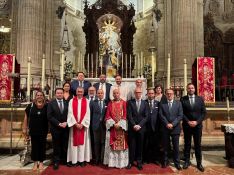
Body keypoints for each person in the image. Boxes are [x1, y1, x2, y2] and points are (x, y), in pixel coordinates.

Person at [180, 83, 206, 172]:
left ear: (194, 89)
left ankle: (199, 163)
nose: (191, 89)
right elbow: (181, 113)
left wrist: (197, 122)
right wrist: (188, 121)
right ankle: (186, 162)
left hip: (197, 126)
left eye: (192, 88)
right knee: (187, 144)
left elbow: (203, 113)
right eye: (189, 88)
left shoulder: (200, 99)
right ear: (187, 89)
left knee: (198, 145)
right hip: (187, 125)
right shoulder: (183, 99)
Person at [22, 91, 48, 171]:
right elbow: (26, 118)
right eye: (38, 95)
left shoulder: (47, 106)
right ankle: (35, 162)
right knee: (35, 146)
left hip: (43, 130)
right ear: (35, 97)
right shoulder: (30, 106)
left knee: (42, 146)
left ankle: (41, 162)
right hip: (33, 130)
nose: (39, 96)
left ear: (43, 97)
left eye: (41, 95)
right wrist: (24, 129)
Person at [103, 88, 129, 168]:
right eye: (114, 93)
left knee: (122, 146)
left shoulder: (124, 103)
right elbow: (107, 116)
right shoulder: (110, 103)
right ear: (113, 94)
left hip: (121, 128)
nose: (116, 94)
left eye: (117, 93)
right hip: (113, 127)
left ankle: (121, 163)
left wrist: (120, 124)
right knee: (112, 146)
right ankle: (112, 163)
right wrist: (114, 124)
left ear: (119, 93)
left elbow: (125, 115)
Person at [67, 87, 92, 166]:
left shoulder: (86, 101)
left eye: (81, 92)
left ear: (83, 92)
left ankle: (82, 160)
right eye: (78, 91)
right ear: (76, 92)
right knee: (74, 144)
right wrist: (75, 123)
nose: (80, 93)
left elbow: (88, 113)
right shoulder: (71, 101)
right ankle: (74, 161)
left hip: (83, 126)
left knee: (82, 144)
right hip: (74, 126)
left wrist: (82, 124)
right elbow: (70, 112)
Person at [159, 89, 183, 170]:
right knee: (165, 146)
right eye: (168, 94)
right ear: (165, 95)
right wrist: (167, 123)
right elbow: (161, 115)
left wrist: (173, 124)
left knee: (176, 147)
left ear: (173, 94)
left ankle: (177, 163)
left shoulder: (178, 103)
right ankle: (165, 161)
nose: (169, 95)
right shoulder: (162, 104)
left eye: (171, 94)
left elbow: (180, 115)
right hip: (165, 128)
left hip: (175, 128)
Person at [127, 88, 149, 170]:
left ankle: (139, 162)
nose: (138, 94)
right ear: (134, 93)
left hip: (141, 128)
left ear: (142, 93)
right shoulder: (130, 102)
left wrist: (139, 125)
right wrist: (134, 125)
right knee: (132, 146)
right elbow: (129, 115)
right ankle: (131, 162)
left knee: (140, 146)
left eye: (139, 92)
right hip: (132, 128)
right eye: (136, 92)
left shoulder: (145, 103)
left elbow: (146, 116)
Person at [47, 88, 69, 170]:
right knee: (56, 145)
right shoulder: (51, 103)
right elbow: (49, 116)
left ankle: (64, 160)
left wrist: (66, 122)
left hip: (65, 127)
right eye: (58, 93)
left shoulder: (67, 103)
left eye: (61, 93)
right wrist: (58, 123)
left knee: (65, 144)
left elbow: (70, 114)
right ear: (55, 94)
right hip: (55, 128)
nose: (59, 94)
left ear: (63, 94)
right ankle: (56, 161)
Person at [90, 89, 107, 165]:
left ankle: (102, 159)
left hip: (104, 126)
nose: (100, 94)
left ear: (103, 94)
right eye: (99, 93)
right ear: (96, 94)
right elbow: (90, 115)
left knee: (103, 142)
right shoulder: (93, 103)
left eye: (101, 93)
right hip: (95, 125)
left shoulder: (107, 102)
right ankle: (96, 159)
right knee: (96, 143)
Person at [143, 88, 160, 163]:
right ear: (147, 94)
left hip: (155, 127)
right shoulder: (143, 103)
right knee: (146, 144)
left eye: (152, 93)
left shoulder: (158, 103)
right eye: (149, 93)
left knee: (155, 143)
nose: (151, 95)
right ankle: (146, 159)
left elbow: (160, 115)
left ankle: (155, 159)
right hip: (145, 126)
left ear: (154, 94)